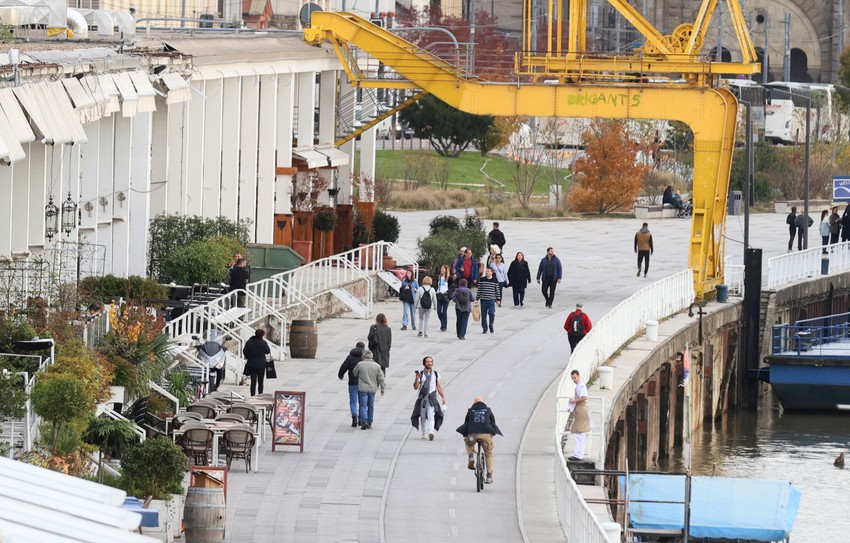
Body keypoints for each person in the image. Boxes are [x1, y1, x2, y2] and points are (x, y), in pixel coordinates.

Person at [456, 396, 502, 485]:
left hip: (472, 435)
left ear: (474, 403)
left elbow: (466, 424)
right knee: (489, 453)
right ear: (483, 403)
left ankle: (471, 456)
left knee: (468, 442)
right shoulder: (488, 410)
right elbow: (493, 423)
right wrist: (491, 435)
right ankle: (489, 476)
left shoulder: (470, 411)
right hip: (485, 435)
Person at [411, 356, 446, 441]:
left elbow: (439, 386)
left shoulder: (436, 374)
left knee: (431, 415)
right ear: (424, 363)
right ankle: (424, 432)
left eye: (431, 362)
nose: (429, 363)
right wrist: (417, 378)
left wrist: (443, 396)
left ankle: (431, 432)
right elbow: (415, 387)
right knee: (423, 416)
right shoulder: (421, 374)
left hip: (432, 397)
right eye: (427, 362)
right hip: (423, 398)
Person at [352, 350, 385, 430]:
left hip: (362, 388)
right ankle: (369, 422)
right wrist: (382, 388)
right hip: (372, 388)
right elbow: (381, 377)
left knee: (363, 405)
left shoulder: (360, 364)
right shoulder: (377, 366)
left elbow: (355, 373)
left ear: (364, 356)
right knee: (370, 405)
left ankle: (364, 421)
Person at [338, 342, 365, 427]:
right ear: (363, 348)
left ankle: (354, 417)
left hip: (352, 383)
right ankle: (361, 420)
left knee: (353, 401)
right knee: (362, 402)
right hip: (363, 383)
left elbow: (343, 367)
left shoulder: (350, 357)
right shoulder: (364, 358)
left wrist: (340, 375)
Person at [567, 370, 590, 462]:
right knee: (580, 433)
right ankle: (579, 454)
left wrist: (574, 401)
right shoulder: (579, 385)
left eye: (574, 377)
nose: (573, 380)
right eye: (572, 378)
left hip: (581, 410)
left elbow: (585, 397)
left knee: (578, 432)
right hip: (580, 410)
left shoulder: (581, 386)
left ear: (579, 376)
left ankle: (578, 455)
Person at [242, 329, 271, 396]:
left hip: (252, 364)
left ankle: (252, 395)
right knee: (261, 381)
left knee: (253, 382)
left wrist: (249, 357)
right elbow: (267, 351)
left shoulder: (249, 342)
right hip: (261, 365)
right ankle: (260, 395)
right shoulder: (263, 343)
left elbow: (244, 351)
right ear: (262, 335)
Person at [476, 267, 499, 334]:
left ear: (491, 272)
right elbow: (479, 290)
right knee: (484, 315)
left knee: (492, 313)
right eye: (486, 271)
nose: (486, 272)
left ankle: (491, 324)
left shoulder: (495, 280)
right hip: (483, 300)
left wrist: (498, 299)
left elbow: (497, 290)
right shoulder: (482, 279)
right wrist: (477, 298)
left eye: (488, 271)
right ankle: (484, 328)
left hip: (492, 300)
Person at [436, 265, 451, 332]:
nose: (441, 270)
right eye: (441, 268)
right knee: (439, 311)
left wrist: (449, 294)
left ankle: (444, 326)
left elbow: (452, 287)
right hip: (439, 295)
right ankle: (443, 322)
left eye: (443, 268)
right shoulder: (439, 277)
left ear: (446, 270)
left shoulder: (449, 278)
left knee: (444, 312)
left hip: (445, 296)